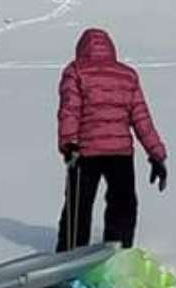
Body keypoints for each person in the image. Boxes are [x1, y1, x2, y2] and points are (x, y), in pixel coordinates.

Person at [55, 27, 167, 251]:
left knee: (79, 206)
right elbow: (141, 116)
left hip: (84, 153)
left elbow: (70, 110)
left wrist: (69, 144)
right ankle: (118, 250)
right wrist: (157, 155)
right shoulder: (126, 75)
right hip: (120, 154)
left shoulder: (76, 71)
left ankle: (70, 254)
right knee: (122, 204)